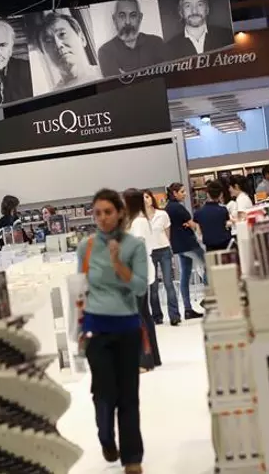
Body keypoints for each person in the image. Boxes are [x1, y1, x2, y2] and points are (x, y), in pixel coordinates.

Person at [78, 189, 147, 474]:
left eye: (108, 212)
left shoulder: (134, 245)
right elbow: (79, 288)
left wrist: (118, 263)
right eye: (97, 213)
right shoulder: (87, 246)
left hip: (127, 327)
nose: (103, 218)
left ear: (120, 213)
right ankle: (105, 436)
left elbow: (141, 287)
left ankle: (133, 458)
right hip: (96, 328)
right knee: (104, 393)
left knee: (129, 396)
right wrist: (79, 327)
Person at [123, 188, 161, 371]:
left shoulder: (137, 222)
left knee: (138, 316)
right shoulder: (140, 220)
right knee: (144, 314)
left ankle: (144, 361)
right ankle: (152, 357)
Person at [165, 182, 205, 324]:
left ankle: (187, 309)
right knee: (208, 267)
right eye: (182, 191)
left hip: (178, 246)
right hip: (189, 243)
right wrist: (193, 225)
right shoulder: (179, 208)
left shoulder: (167, 208)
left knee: (185, 275)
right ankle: (209, 299)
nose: (185, 193)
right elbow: (193, 225)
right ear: (174, 193)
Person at [98, 0, 166, 76]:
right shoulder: (106, 52)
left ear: (140, 18)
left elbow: (164, 77)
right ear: (114, 19)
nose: (127, 22)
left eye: (133, 15)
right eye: (122, 16)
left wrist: (128, 77)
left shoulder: (156, 43)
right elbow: (117, 86)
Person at [38, 12, 102, 90]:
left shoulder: (108, 73)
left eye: (62, 34)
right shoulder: (51, 97)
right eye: (48, 41)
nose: (58, 45)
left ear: (82, 38)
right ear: (44, 54)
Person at [144, 189, 179, 325]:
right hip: (149, 253)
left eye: (147, 196)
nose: (145, 199)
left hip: (164, 250)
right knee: (153, 286)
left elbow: (167, 232)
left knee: (168, 283)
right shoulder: (140, 219)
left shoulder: (162, 214)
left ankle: (174, 315)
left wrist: (168, 246)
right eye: (143, 198)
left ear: (152, 198)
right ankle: (157, 316)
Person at [164, 0, 233, 59]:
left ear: (207, 9)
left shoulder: (227, 35)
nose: (194, 11)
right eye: (188, 6)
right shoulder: (170, 47)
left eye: (199, 4)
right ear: (181, 12)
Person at [193, 181, 232, 252]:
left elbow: (198, 232)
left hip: (209, 246)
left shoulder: (198, 212)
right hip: (225, 245)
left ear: (207, 194)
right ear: (220, 195)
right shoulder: (223, 210)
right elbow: (227, 224)